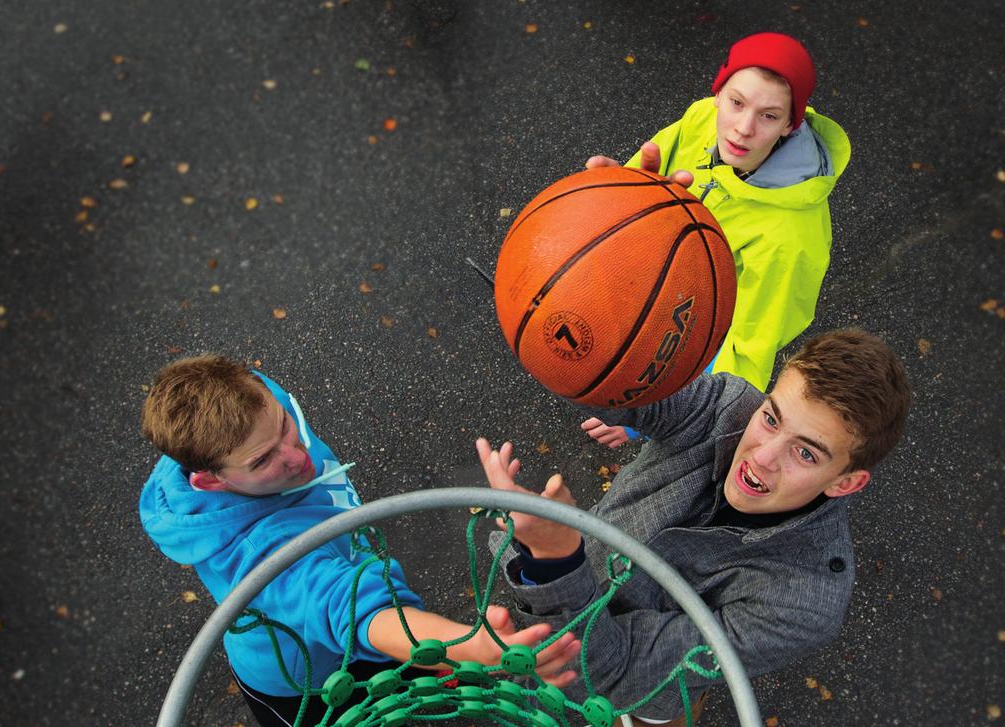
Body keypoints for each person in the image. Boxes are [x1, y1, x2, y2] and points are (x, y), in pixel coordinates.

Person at [476, 329, 910, 724]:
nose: (762, 456)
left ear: (846, 482)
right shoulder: (726, 406)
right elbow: (625, 391)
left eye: (806, 454)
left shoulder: (801, 604)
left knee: (652, 710)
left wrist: (555, 559)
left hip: (639, 678)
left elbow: (613, 667)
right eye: (772, 419)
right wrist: (571, 345)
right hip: (574, 579)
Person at [139, 355, 580, 727]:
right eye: (264, 460)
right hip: (308, 684)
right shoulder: (268, 558)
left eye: (284, 429)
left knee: (404, 676)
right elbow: (352, 608)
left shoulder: (251, 408)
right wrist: (473, 647)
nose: (297, 457)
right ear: (210, 482)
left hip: (351, 625)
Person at [584, 32, 851, 449]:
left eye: (768, 116)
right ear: (719, 92)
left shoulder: (788, 239)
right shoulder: (701, 120)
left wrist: (653, 413)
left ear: (790, 124)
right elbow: (642, 180)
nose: (742, 129)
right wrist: (612, 200)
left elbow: (743, 356)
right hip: (672, 275)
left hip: (709, 325)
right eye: (736, 102)